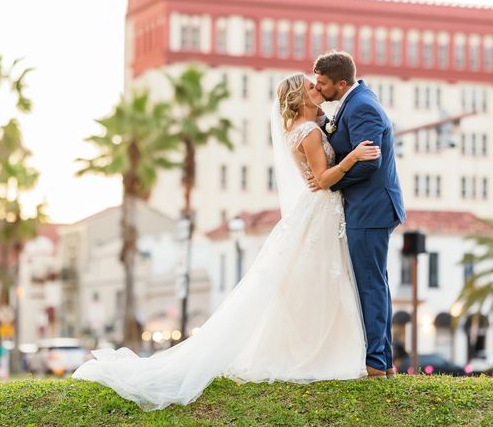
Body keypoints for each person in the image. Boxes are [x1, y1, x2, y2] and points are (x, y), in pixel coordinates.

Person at [72, 72, 380, 411]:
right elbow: (321, 179)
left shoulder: (306, 129)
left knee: (315, 283)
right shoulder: (307, 133)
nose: (317, 88)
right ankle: (317, 355)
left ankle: (321, 353)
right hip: (321, 212)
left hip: (322, 214)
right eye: (311, 86)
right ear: (299, 98)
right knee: (319, 283)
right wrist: (353, 157)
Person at [310, 51, 406, 378]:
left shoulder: (362, 105)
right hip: (369, 207)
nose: (317, 88)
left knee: (370, 284)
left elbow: (369, 161)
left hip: (371, 208)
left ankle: (376, 363)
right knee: (374, 282)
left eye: (322, 83)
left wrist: (331, 182)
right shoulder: (355, 101)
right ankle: (384, 361)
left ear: (341, 83)